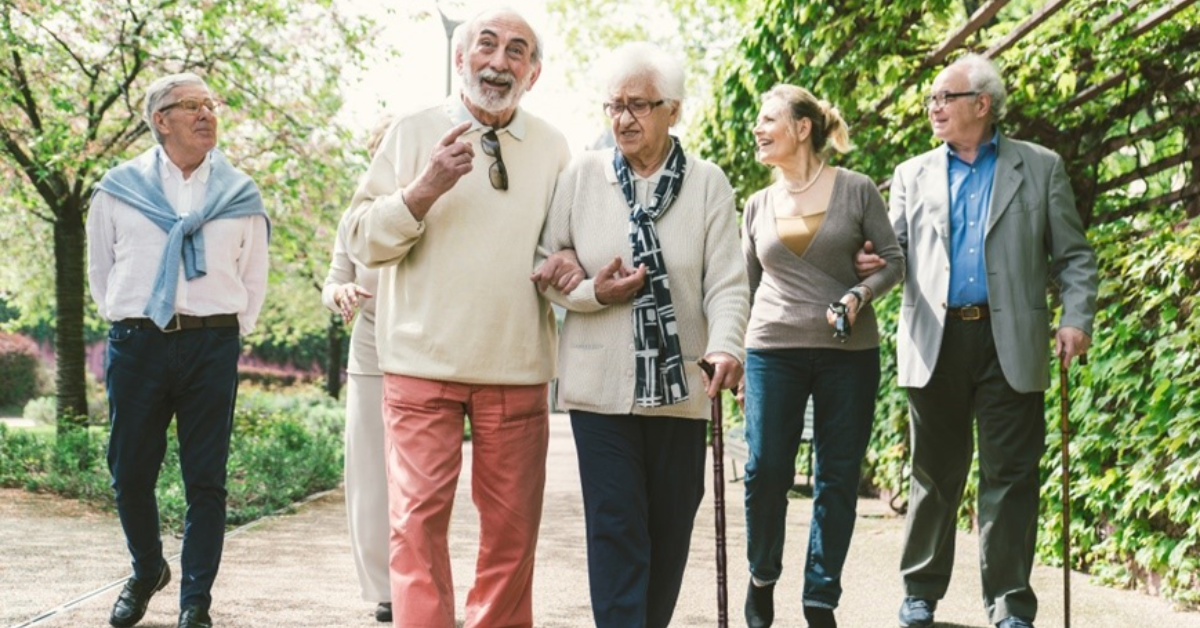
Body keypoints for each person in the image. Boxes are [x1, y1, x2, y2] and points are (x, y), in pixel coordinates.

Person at [342, 8, 573, 628]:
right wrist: (423, 190)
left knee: (511, 537)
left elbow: (563, 247)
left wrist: (575, 260)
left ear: (535, 71)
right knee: (414, 528)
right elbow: (362, 241)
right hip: (420, 366)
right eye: (487, 46)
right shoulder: (411, 133)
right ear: (459, 58)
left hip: (516, 368)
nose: (499, 62)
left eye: (516, 51)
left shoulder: (553, 148)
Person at [857, 54, 1098, 628]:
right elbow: (892, 256)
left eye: (944, 97)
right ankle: (919, 592)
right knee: (934, 474)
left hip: (1009, 337)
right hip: (934, 337)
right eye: (931, 100)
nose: (933, 108)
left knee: (1010, 476)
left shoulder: (1040, 168)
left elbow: (1074, 257)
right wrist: (866, 266)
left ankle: (1011, 603)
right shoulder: (913, 173)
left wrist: (1076, 318)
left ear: (981, 104)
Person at [531, 41, 749, 628]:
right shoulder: (582, 176)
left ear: (672, 109)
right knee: (617, 524)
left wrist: (726, 345)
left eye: (638, 105)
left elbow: (727, 281)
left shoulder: (707, 184)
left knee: (671, 527)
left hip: (681, 387)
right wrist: (592, 292)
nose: (623, 119)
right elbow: (547, 267)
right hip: (598, 384)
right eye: (613, 105)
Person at [87, 72, 270, 628]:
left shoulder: (240, 196)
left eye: (211, 104)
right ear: (159, 120)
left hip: (212, 344)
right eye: (191, 105)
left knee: (206, 479)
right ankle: (147, 569)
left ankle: (196, 602)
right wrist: (135, 321)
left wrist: (220, 329)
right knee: (129, 472)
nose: (206, 114)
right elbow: (102, 273)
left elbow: (253, 279)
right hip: (138, 344)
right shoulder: (117, 189)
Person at [739, 85, 905, 628]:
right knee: (766, 470)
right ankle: (762, 576)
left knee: (837, 476)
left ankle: (820, 598)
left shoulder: (856, 190)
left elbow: (893, 262)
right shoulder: (757, 205)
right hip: (772, 348)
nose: (758, 130)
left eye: (768, 120)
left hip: (847, 352)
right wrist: (738, 360)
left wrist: (860, 294)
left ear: (802, 128)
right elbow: (746, 287)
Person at [320, 113, 393, 623]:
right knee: (370, 478)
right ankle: (387, 591)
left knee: (422, 484)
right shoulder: (355, 215)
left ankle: (424, 582)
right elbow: (331, 282)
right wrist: (341, 293)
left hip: (429, 355)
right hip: (369, 354)